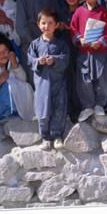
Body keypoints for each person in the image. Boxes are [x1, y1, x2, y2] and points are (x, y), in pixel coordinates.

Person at [70, 0, 107, 122]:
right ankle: (87, 106)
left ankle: (100, 105)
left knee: (102, 78)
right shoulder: (78, 11)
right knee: (84, 79)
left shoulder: (102, 12)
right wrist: (79, 39)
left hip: (99, 52)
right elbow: (73, 28)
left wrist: (100, 42)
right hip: (84, 52)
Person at [27, 9, 70, 150]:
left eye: (50, 23)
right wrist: (39, 61)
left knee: (59, 108)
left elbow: (65, 59)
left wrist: (54, 60)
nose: (47, 26)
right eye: (43, 23)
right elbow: (29, 60)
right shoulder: (34, 44)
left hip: (58, 83)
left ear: (56, 25)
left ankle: (57, 135)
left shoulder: (61, 44)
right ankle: (45, 137)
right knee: (42, 110)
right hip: (42, 85)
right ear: (38, 25)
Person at [15, 0, 60, 85]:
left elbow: (57, 22)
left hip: (49, 49)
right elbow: (21, 25)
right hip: (30, 49)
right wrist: (34, 45)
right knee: (33, 84)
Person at [0, 35, 34, 121]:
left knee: (26, 86)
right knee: (7, 85)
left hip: (13, 109)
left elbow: (23, 81)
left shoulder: (12, 65)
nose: (2, 54)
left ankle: (18, 113)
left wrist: (15, 64)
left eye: (5, 51)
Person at [59, 0, 83, 122]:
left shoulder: (83, 12)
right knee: (66, 81)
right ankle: (67, 110)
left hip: (79, 52)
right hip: (64, 52)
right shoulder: (60, 12)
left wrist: (72, 29)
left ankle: (79, 110)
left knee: (79, 82)